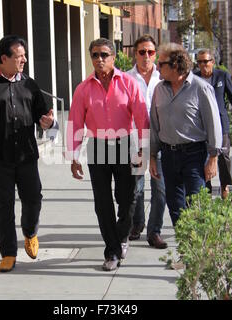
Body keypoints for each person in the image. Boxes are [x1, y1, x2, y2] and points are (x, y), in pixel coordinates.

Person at [0, 35, 58, 272]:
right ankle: (7, 253)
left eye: (25, 55)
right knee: (3, 205)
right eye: (19, 56)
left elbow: (43, 115)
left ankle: (30, 232)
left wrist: (48, 122)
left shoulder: (29, 84)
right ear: (4, 58)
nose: (24, 60)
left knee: (33, 198)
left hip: (27, 155)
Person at [66, 38, 149, 271]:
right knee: (102, 203)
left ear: (114, 57)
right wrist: (73, 157)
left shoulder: (129, 83)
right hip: (98, 147)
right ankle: (112, 251)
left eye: (104, 55)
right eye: (95, 55)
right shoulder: (83, 88)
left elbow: (142, 117)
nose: (99, 59)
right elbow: (75, 122)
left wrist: (144, 148)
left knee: (128, 198)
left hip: (125, 145)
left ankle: (122, 236)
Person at [149, 43, 222, 227]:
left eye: (161, 63)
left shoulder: (201, 88)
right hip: (167, 155)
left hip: (194, 155)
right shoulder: (159, 90)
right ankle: (185, 246)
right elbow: (154, 125)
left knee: (196, 203)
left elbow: (214, 124)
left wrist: (213, 158)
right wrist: (151, 156)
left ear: (175, 64)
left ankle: (198, 250)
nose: (157, 67)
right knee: (175, 205)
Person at [127, 34, 167, 249]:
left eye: (150, 52)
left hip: (160, 142)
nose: (146, 56)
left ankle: (155, 231)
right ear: (135, 53)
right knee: (136, 189)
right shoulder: (125, 78)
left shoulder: (164, 79)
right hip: (135, 141)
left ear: (155, 54)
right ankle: (138, 224)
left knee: (160, 189)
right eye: (142, 52)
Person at [195, 49, 232, 199]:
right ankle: (207, 186)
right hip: (202, 125)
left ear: (212, 61)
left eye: (205, 61)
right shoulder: (194, 78)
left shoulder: (222, 76)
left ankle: (224, 184)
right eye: (199, 62)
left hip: (221, 123)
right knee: (205, 156)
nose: (203, 65)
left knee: (224, 156)